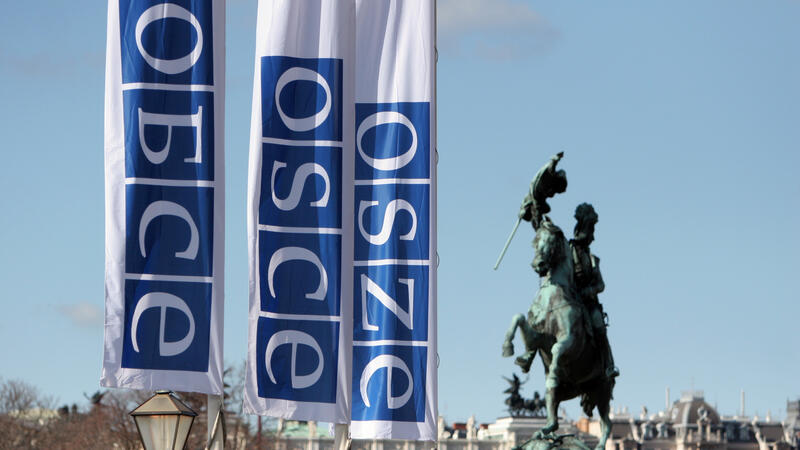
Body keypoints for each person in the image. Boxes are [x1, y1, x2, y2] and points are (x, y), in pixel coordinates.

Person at [570, 203, 619, 379]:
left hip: (588, 303)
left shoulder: (593, 259)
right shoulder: (568, 251)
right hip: (569, 299)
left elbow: (601, 285)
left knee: (599, 325)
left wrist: (589, 291)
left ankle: (609, 365)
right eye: (590, 230)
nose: (592, 236)